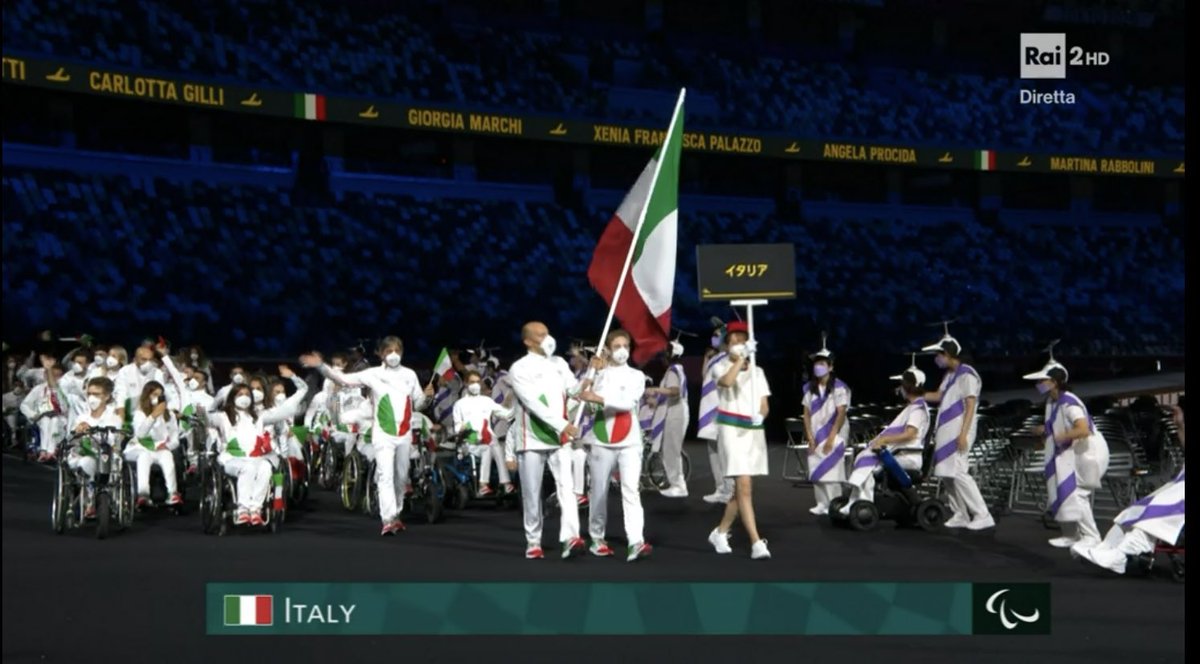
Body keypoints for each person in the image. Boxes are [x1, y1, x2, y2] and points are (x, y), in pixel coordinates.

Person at [302, 337, 434, 535]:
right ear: (381, 354)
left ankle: (396, 513)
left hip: (404, 434)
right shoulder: (373, 374)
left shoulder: (409, 375)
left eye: (397, 350)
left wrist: (428, 396)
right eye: (388, 351)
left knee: (401, 476)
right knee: (385, 475)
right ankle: (388, 519)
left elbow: (419, 403)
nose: (393, 355)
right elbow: (343, 379)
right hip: (382, 434)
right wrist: (321, 365)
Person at [503, 321, 585, 559]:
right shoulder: (519, 368)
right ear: (528, 341)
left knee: (567, 489)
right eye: (540, 335)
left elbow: (574, 390)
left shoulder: (559, 363)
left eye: (547, 333)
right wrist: (564, 425)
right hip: (532, 438)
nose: (547, 338)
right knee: (532, 492)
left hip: (560, 439)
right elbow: (533, 404)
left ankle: (570, 537)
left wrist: (590, 376)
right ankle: (533, 541)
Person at [578, 330, 652, 561]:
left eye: (625, 345)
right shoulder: (598, 374)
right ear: (608, 349)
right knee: (598, 491)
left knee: (631, 490)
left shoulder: (637, 376)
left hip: (629, 441)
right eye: (617, 345)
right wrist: (591, 374)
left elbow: (627, 403)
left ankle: (636, 541)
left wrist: (598, 398)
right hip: (601, 439)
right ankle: (597, 538)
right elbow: (583, 400)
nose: (622, 350)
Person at [1023, 360, 1110, 549]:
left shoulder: (1069, 403)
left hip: (1088, 452)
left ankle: (1091, 536)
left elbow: (1083, 429)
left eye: (1043, 380)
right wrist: (1043, 432)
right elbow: (1054, 425)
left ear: (1054, 381)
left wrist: (1059, 436)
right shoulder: (1052, 402)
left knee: (1077, 493)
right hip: (1074, 451)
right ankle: (1071, 534)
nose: (1038, 384)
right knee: (1062, 489)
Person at [208, 366, 307, 526]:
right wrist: (197, 412)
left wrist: (295, 379)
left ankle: (255, 510)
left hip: (256, 458)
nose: (245, 397)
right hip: (232, 459)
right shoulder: (223, 416)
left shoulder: (260, 417)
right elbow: (205, 418)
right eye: (240, 395)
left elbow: (288, 407)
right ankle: (242, 510)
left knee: (265, 468)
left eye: (247, 395)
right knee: (248, 468)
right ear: (233, 397)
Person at [707, 321, 772, 560]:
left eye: (742, 340)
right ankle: (756, 542)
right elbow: (726, 382)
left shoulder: (758, 372)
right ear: (726, 345)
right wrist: (739, 360)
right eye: (733, 341)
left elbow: (764, 405)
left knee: (742, 489)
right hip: (730, 430)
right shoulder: (720, 366)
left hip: (752, 432)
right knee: (743, 486)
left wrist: (760, 416)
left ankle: (721, 532)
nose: (738, 345)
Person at [922, 335, 995, 530]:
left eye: (939, 354)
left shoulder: (967, 375)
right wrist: (916, 394)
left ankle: (982, 514)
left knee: (959, 472)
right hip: (945, 430)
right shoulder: (949, 376)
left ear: (948, 354)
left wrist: (963, 434)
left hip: (959, 431)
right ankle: (960, 513)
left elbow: (970, 405)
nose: (937, 358)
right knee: (946, 474)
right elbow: (938, 396)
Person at [841, 366, 929, 511]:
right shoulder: (912, 407)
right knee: (866, 458)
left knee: (870, 466)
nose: (900, 389)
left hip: (908, 455)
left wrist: (885, 440)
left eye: (901, 385)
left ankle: (863, 504)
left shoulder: (918, 409)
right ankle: (855, 501)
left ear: (907, 387)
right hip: (900, 453)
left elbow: (910, 434)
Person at [64, 375, 123, 519]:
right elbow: (69, 440)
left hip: (106, 459)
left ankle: (100, 500)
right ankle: (89, 500)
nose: (91, 398)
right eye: (89, 394)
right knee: (86, 462)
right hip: (81, 457)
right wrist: (77, 432)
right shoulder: (81, 417)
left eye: (96, 394)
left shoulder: (114, 418)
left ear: (107, 396)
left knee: (94, 461)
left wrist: (91, 431)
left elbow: (112, 440)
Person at [802, 342, 850, 515]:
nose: (818, 367)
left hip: (833, 432)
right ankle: (821, 503)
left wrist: (831, 437)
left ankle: (835, 504)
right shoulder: (809, 388)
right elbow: (806, 414)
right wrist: (809, 436)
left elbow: (841, 413)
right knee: (816, 467)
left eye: (822, 364)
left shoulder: (839, 387)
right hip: (815, 432)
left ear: (830, 367)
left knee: (832, 469)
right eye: (816, 363)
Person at [452, 369, 515, 495]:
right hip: (469, 441)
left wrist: (516, 405)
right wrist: (463, 428)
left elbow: (505, 414)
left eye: (477, 381)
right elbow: (457, 427)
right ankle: (483, 485)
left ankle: (506, 484)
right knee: (488, 448)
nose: (475, 385)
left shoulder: (487, 401)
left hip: (488, 439)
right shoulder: (459, 404)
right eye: (472, 382)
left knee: (497, 447)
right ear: (465, 383)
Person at [128, 381, 182, 507]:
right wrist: (153, 416)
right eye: (154, 394)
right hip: (140, 448)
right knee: (144, 457)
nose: (157, 398)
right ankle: (143, 495)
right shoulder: (139, 414)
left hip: (160, 448)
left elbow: (175, 440)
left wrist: (167, 446)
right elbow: (141, 435)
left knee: (167, 456)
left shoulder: (170, 415)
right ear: (147, 396)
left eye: (160, 395)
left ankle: (173, 493)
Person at [648, 340, 690, 498]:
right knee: (670, 449)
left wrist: (655, 389)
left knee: (671, 450)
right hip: (676, 410)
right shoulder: (677, 369)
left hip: (676, 411)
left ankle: (678, 485)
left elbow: (674, 391)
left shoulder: (673, 371)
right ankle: (676, 483)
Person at [698, 323, 734, 504]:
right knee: (713, 451)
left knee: (724, 452)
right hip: (708, 409)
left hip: (720, 409)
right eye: (713, 334)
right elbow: (705, 375)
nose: (714, 337)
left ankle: (729, 490)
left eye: (718, 335)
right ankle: (719, 488)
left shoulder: (729, 358)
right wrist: (706, 357)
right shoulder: (714, 358)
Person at [19, 358, 68, 462]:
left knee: (54, 421)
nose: (55, 378)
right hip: (41, 417)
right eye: (53, 375)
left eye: (58, 375)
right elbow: (24, 405)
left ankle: (51, 451)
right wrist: (33, 415)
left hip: (60, 418)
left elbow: (66, 407)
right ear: (46, 375)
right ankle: (43, 451)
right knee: (46, 420)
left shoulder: (64, 389)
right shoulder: (38, 389)